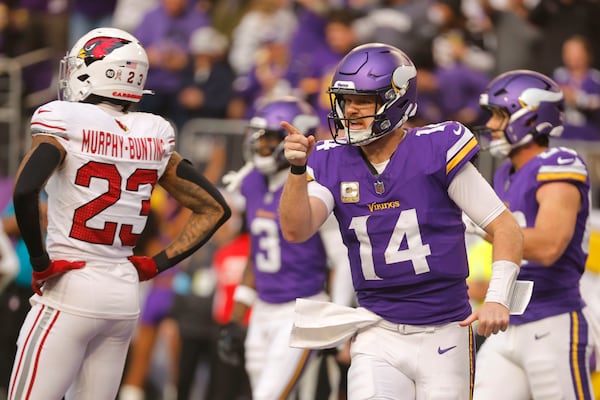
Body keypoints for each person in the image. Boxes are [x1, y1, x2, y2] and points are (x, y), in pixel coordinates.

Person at [279, 42, 524, 399]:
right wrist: (297, 170)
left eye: (363, 100)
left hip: (445, 330)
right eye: (346, 101)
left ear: (395, 100)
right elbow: (296, 228)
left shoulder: (434, 149)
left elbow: (504, 227)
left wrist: (499, 297)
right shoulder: (332, 160)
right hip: (378, 330)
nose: (351, 111)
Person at [7, 27, 230, 400]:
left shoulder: (64, 120)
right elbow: (214, 208)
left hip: (71, 284)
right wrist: (154, 264)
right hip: (123, 294)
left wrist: (40, 261)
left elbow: (26, 189)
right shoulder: (153, 132)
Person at [218, 96, 354, 399]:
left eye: (268, 138)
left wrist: (337, 318)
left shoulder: (314, 185)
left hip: (300, 310)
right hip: (263, 309)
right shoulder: (252, 180)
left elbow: (342, 260)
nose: (260, 145)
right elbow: (257, 256)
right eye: (258, 137)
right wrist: (237, 316)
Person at [472, 69, 595, 399]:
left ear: (529, 117)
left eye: (500, 115)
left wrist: (486, 229)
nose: (493, 125)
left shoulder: (559, 163)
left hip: (552, 319)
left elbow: (549, 246)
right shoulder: (504, 174)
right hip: (506, 322)